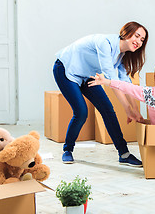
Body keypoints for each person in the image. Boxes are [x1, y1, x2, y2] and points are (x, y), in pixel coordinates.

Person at [53, 21, 148, 167]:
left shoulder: (122, 55)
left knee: (108, 110)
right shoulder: (106, 43)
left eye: (142, 40)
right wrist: (127, 109)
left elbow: (125, 83)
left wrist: (135, 110)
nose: (139, 42)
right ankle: (68, 150)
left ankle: (124, 154)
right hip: (66, 70)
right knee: (81, 112)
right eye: (137, 36)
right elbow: (112, 80)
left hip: (87, 76)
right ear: (126, 33)